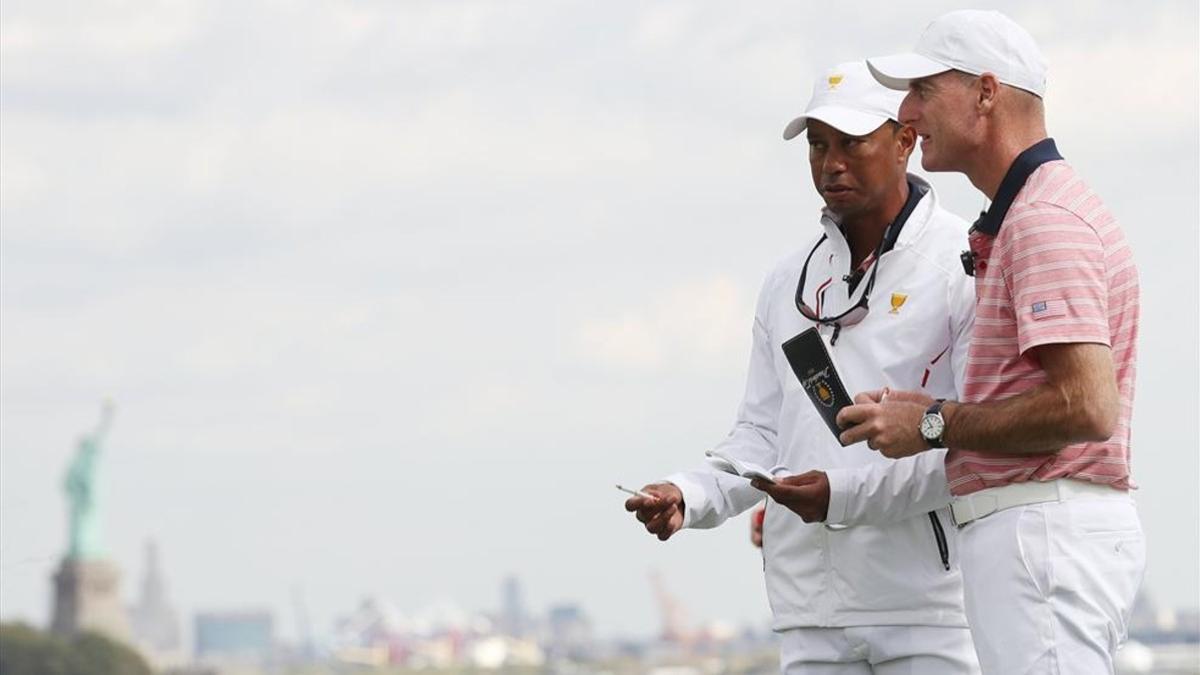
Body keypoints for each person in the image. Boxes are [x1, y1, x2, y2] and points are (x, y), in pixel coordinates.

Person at [624, 61, 980, 674]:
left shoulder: (963, 263)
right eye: (817, 144)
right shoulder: (787, 280)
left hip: (929, 609)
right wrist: (690, 494)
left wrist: (837, 496)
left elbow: (971, 444)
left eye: (851, 142)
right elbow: (761, 437)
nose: (830, 162)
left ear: (903, 141)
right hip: (810, 611)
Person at [839, 10, 1144, 674]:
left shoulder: (1042, 218)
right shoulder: (1037, 209)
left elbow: (1087, 406)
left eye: (923, 89)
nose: (906, 111)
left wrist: (929, 421)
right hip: (1041, 534)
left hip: (1041, 533)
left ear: (985, 91)